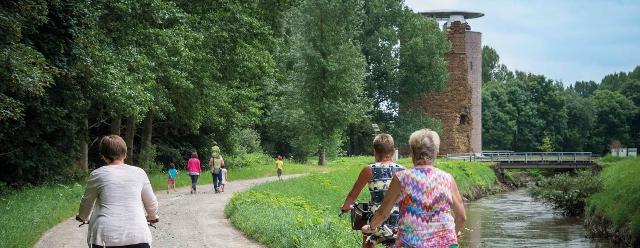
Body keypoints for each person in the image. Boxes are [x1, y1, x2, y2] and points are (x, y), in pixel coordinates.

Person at [362, 129, 466, 248]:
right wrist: (453, 233)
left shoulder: (401, 178)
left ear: (412, 152)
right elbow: (461, 217)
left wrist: (371, 227)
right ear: (436, 152)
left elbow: (382, 214)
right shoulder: (448, 179)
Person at [76, 135, 159, 248]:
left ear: (103, 155)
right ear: (125, 153)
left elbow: (86, 203)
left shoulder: (97, 174)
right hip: (138, 236)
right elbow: (151, 203)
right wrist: (152, 216)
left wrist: (82, 216)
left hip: (105, 239)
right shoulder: (139, 173)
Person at [340, 133, 405, 248]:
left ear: (374, 151)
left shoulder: (369, 170)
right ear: (394, 151)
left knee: (368, 240)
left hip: (377, 221)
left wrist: (345, 207)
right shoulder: (404, 170)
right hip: (399, 222)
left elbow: (352, 195)